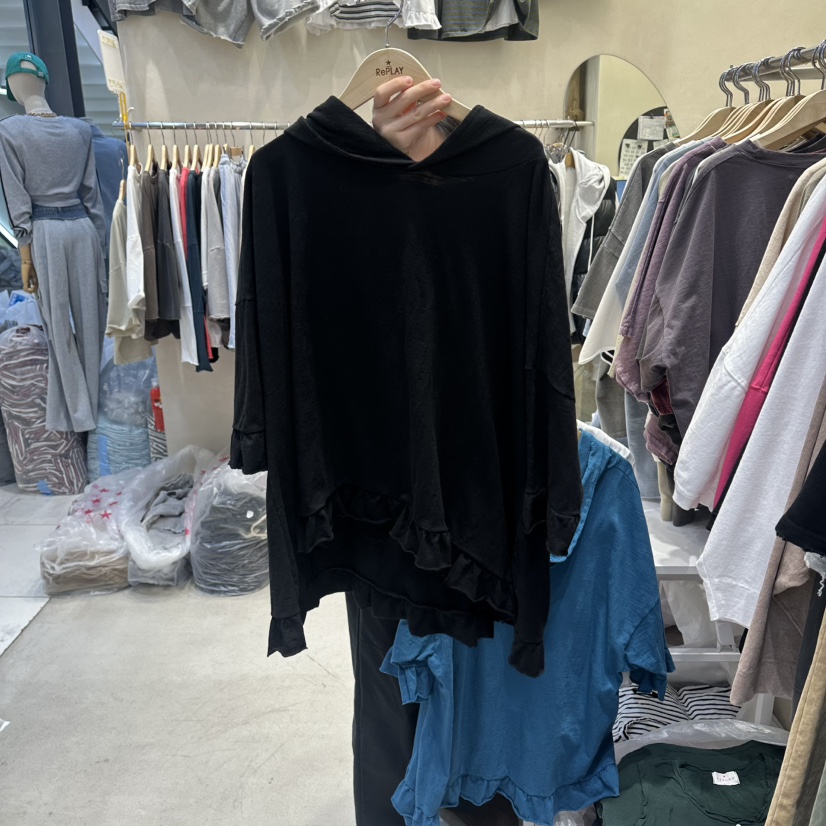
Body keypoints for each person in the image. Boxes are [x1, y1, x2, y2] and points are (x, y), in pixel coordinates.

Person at [343, 78, 521, 826]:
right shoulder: (338, 199)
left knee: (482, 673)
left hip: (483, 487)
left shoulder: (505, 187)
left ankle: (476, 802)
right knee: (389, 678)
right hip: (377, 491)